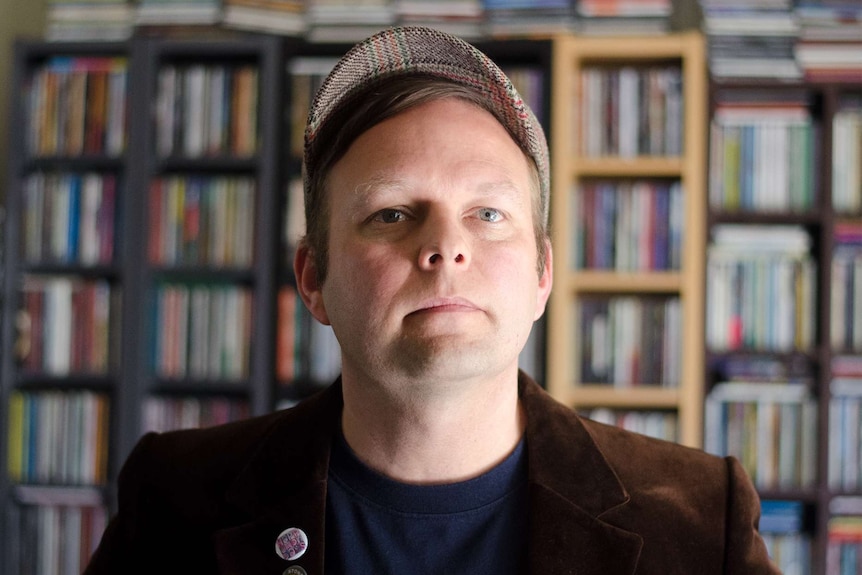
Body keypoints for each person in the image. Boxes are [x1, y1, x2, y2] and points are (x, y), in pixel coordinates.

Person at [84, 26, 780, 574]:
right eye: (391, 213)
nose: (446, 246)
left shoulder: (698, 519)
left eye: (488, 213)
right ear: (313, 279)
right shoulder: (174, 499)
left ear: (542, 273)